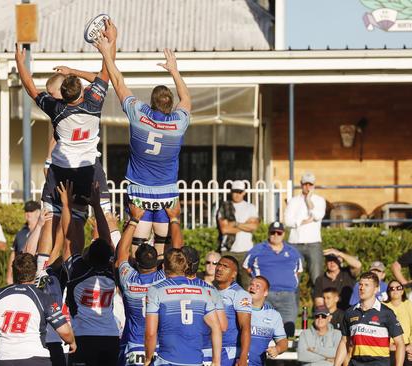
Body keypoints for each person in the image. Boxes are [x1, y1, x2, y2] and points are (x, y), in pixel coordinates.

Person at [94, 21, 193, 261]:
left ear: (151, 102)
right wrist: (174, 71)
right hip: (167, 190)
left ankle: (134, 286)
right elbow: (187, 98)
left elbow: (117, 82)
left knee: (137, 248)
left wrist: (107, 53)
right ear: (171, 106)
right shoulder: (178, 123)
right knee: (164, 249)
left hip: (139, 188)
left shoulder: (139, 115)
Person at [15, 22, 115, 236]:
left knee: (56, 222)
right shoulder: (94, 101)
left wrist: (20, 64)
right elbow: (106, 71)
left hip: (63, 169)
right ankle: (114, 263)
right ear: (83, 89)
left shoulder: (56, 110)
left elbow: (31, 88)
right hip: (89, 167)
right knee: (104, 216)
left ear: (59, 94)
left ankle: (45, 267)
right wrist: (110, 42)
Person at [58, 181, 120, 366]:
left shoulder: (78, 271)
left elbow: (69, 240)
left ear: (88, 254)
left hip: (83, 337)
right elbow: (107, 239)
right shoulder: (111, 271)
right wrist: (96, 206)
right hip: (110, 337)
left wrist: (66, 205)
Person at [0, 253, 76, 365]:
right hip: (36, 358)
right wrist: (71, 341)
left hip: (4, 358)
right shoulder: (43, 298)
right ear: (35, 272)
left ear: (13, 271)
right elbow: (65, 331)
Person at [144, 248, 223, 366]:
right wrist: (216, 362)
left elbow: (150, 333)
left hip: (167, 360)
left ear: (164, 267)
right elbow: (217, 327)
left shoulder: (156, 290)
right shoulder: (202, 291)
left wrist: (148, 359)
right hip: (195, 361)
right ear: (186, 267)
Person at [115, 202, 166, 366]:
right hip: (160, 346)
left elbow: (121, 253)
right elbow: (175, 254)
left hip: (134, 343)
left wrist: (134, 220)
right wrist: (172, 220)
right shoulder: (164, 280)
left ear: (136, 262)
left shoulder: (129, 281)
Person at [243, 221, 303, 337]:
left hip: (288, 294)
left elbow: (299, 270)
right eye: (273, 232)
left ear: (283, 234)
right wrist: (258, 280)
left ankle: (285, 351)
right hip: (265, 294)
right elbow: (246, 267)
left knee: (288, 326)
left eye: (279, 233)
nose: (276, 235)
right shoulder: (258, 249)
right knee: (263, 325)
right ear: (268, 233)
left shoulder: (292, 252)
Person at [334, 272, 405, 366]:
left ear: (376, 289)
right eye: (360, 284)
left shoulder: (387, 313)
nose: (362, 288)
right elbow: (344, 341)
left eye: (366, 285)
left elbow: (400, 343)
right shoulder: (350, 312)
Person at [214, 180, 260, 289]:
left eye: (239, 191)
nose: (237, 194)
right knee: (226, 284)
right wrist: (245, 225)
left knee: (247, 284)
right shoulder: (225, 206)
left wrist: (235, 224)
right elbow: (224, 229)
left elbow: (254, 227)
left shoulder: (250, 207)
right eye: (235, 191)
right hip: (228, 250)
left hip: (246, 251)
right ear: (231, 192)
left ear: (244, 193)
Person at [284, 172, 326, 286]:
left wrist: (308, 200)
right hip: (295, 243)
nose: (307, 187)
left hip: (313, 243)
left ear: (314, 185)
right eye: (305, 184)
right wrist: (302, 221)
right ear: (301, 184)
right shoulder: (293, 201)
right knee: (293, 277)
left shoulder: (320, 200)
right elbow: (287, 221)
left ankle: (318, 303)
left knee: (317, 278)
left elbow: (317, 216)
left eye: (310, 184)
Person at [213, 255, 252, 366]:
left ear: (234, 274)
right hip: (209, 349)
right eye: (218, 265)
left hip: (229, 352)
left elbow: (245, 327)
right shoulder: (209, 290)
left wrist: (243, 357)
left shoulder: (240, 294)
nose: (219, 268)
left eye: (225, 266)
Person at [248, 276, 288, 366]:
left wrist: (277, 349)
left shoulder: (274, 315)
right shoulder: (237, 308)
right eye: (251, 284)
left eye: (257, 286)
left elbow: (283, 342)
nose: (252, 287)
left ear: (265, 293)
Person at [384, 280, 412, 366]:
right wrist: (387, 345)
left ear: (402, 291)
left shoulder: (409, 304)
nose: (395, 290)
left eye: (398, 288)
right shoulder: (383, 306)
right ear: (388, 292)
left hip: (408, 345)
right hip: (390, 346)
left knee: (410, 359)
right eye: (392, 288)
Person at [7, 200, 42, 284]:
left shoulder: (44, 232)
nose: (28, 213)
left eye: (31, 211)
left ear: (38, 212)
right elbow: (13, 254)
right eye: (26, 211)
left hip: (38, 275)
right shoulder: (21, 232)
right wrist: (9, 275)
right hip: (20, 276)